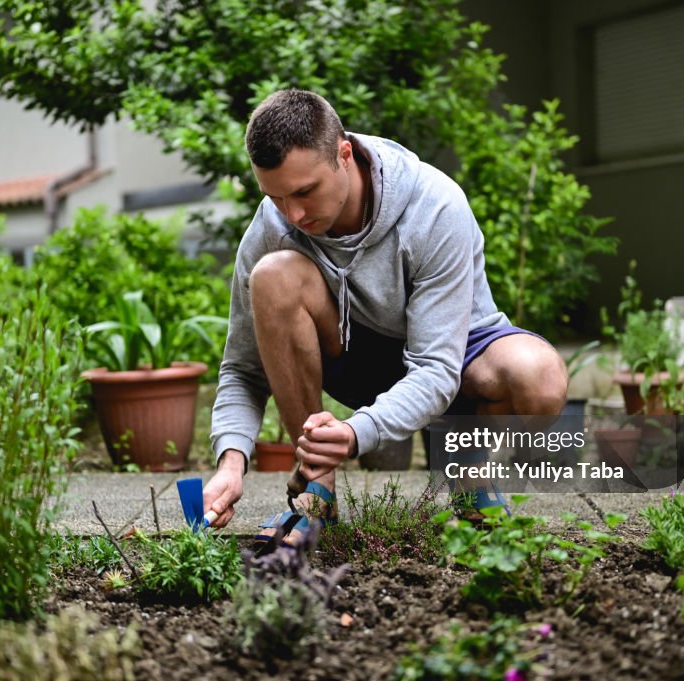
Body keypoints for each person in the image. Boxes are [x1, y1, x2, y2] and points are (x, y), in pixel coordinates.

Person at [202, 89, 567, 544]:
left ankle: (471, 484)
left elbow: (436, 368)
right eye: (275, 197)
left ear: (344, 154)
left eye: (304, 192)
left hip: (453, 356)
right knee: (273, 274)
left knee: (539, 377)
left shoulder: (434, 206)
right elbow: (242, 366)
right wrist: (232, 464)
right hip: (354, 355)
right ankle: (316, 491)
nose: (291, 214)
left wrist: (358, 432)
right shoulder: (272, 228)